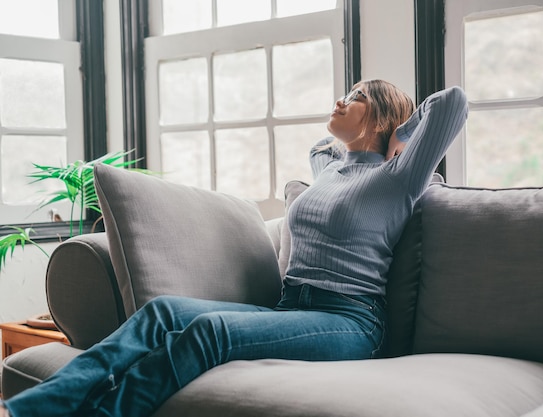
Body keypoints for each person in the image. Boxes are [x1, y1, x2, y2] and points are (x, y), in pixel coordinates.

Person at [0, 79, 467, 417]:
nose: (341, 99)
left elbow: (453, 104)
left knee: (209, 332)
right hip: (291, 308)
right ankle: (36, 408)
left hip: (351, 321)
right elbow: (322, 145)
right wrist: (365, 126)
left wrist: (402, 134)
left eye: (358, 95)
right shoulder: (329, 170)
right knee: (163, 313)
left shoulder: (398, 178)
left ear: (385, 116)